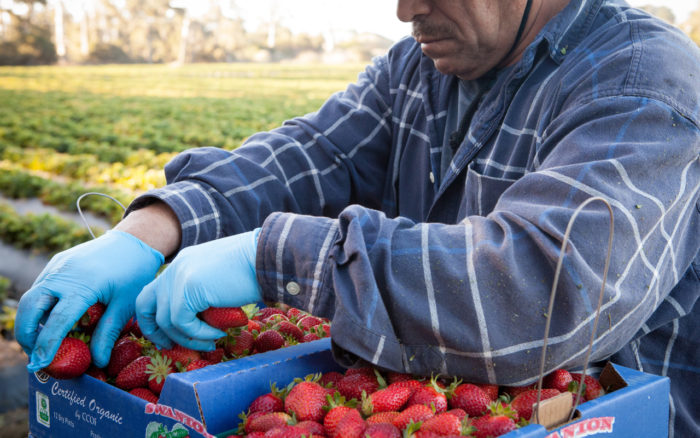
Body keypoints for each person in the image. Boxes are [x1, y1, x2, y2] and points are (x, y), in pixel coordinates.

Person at [15, 0, 699, 435]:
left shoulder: (642, 82)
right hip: (442, 391)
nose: (405, 10)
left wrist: (267, 258)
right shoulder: (420, 71)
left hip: (607, 416)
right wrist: (151, 229)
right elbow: (311, 153)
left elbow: (545, 292)